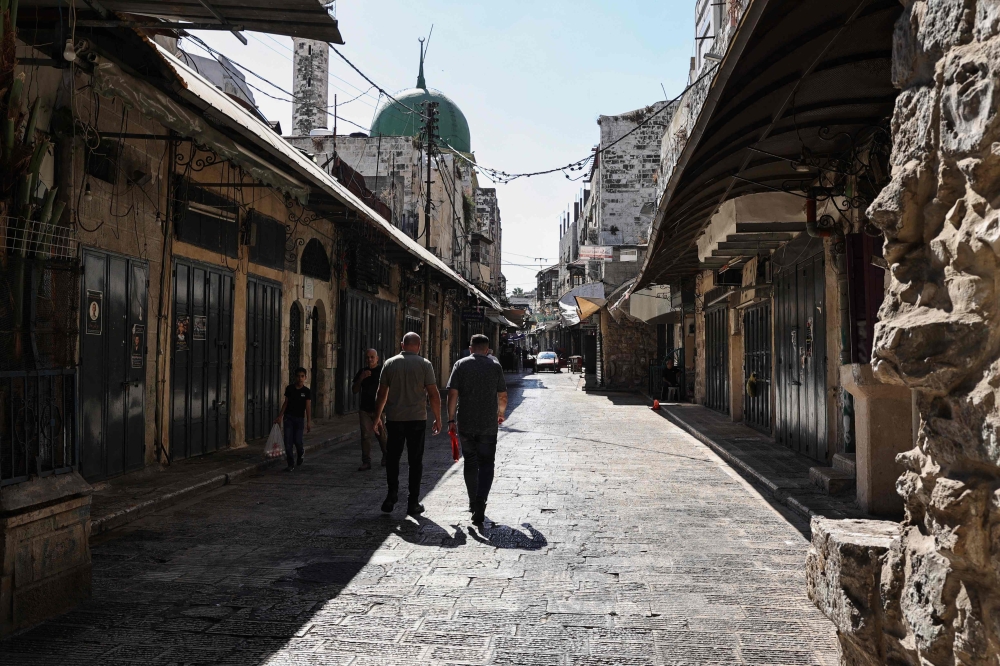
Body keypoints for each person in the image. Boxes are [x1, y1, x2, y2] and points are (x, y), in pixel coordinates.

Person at [372, 332, 442, 516]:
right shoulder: (425, 365)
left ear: (402, 344)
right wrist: (438, 417)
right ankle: (413, 502)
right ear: (419, 346)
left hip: (395, 419)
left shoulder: (390, 363)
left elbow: (381, 393)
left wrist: (377, 417)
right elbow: (434, 394)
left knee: (393, 458)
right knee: (415, 461)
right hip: (417, 419)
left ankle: (391, 495)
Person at [446, 334, 508, 525]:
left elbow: (452, 393)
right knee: (487, 464)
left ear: (471, 348)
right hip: (488, 425)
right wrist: (500, 413)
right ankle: (481, 502)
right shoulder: (495, 366)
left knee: (470, 462)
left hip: (466, 423)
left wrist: (450, 419)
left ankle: (473, 502)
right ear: (488, 350)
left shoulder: (460, 365)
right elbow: (503, 396)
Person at [352, 348, 387, 471]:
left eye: (372, 357)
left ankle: (386, 456)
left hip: (379, 409)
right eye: (367, 357)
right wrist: (361, 378)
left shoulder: (383, 371)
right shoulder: (362, 371)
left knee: (381, 435)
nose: (370, 360)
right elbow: (354, 390)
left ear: (377, 358)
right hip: (365, 409)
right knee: (366, 435)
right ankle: (366, 461)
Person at [274, 367, 312, 472]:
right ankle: (290, 464)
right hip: (288, 418)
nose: (300, 378)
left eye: (302, 376)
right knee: (288, 442)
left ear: (305, 377)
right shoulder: (290, 389)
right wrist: (280, 416)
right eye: (298, 376)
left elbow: (308, 407)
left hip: (299, 419)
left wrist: (308, 421)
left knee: (298, 441)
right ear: (295, 377)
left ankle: (301, 453)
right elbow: (285, 403)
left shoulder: (306, 391)